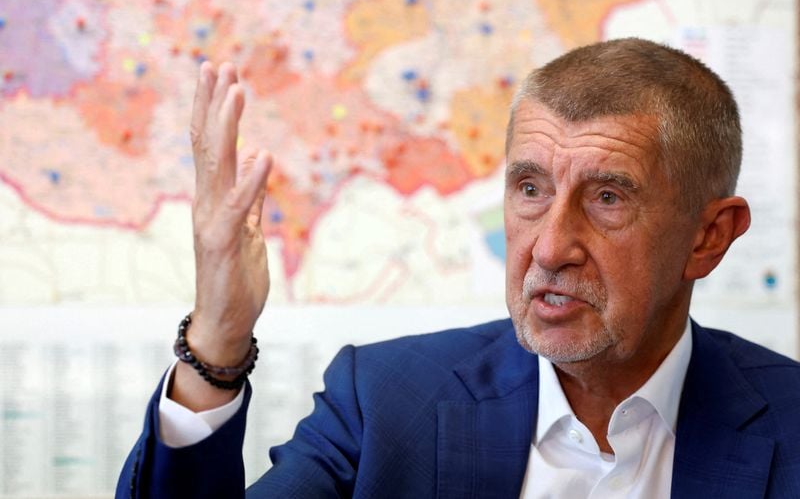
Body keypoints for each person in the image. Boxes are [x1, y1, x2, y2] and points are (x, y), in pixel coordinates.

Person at [116, 38, 800, 498]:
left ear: (708, 236)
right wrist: (218, 340)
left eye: (608, 198)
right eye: (530, 188)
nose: (549, 247)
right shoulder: (385, 401)